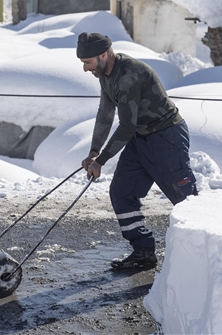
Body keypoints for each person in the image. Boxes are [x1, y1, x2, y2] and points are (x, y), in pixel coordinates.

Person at [77, 32, 197, 270]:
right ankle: (143, 252)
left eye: (87, 62)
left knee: (186, 200)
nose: (85, 68)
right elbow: (105, 113)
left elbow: (126, 125)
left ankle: (203, 256)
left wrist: (101, 160)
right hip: (140, 138)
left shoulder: (129, 74)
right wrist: (93, 151)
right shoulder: (105, 74)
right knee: (122, 192)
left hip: (166, 137)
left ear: (104, 55)